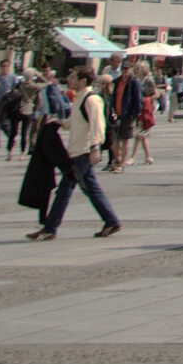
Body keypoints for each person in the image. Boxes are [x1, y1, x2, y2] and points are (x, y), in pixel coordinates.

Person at [27, 65, 120, 240]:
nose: (69, 80)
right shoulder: (80, 97)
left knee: (64, 190)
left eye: (73, 77)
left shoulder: (92, 99)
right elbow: (75, 122)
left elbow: (98, 125)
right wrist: (59, 123)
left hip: (83, 152)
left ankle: (50, 228)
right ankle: (112, 221)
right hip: (77, 151)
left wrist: (95, 148)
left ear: (83, 80)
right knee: (92, 189)